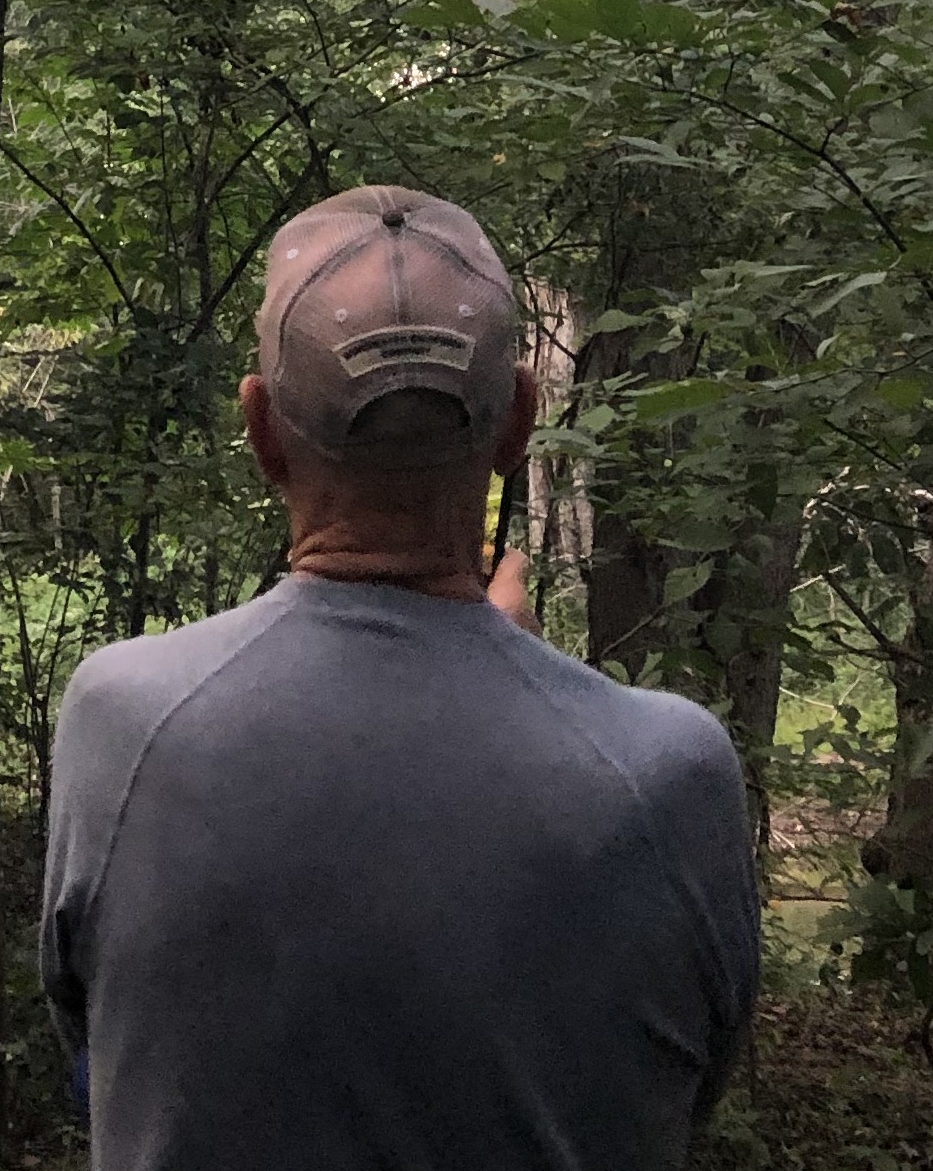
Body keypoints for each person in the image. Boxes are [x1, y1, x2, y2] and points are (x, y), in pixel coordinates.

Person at [38, 184, 761, 1171]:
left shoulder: (124, 721)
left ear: (261, 432)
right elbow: (682, 1088)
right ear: (518, 422)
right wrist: (525, 685)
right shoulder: (669, 772)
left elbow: (100, 1053)